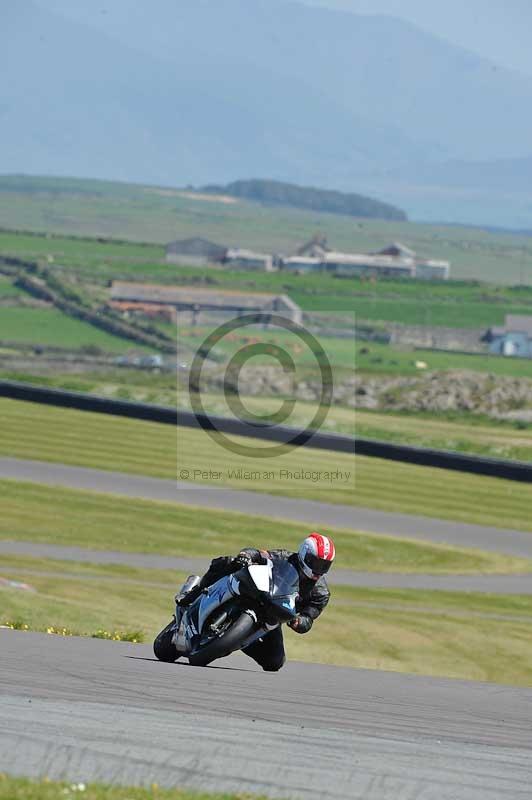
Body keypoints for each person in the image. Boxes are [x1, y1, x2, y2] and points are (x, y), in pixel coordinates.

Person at [177, 532, 335, 672]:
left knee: (275, 662)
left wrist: (299, 622)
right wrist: (246, 555)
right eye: (316, 562)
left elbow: (309, 618)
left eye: (325, 565)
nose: (319, 569)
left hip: (273, 615)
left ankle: (239, 639)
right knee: (229, 562)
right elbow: (260, 554)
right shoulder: (284, 557)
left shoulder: (321, 593)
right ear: (304, 554)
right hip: (256, 592)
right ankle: (192, 593)